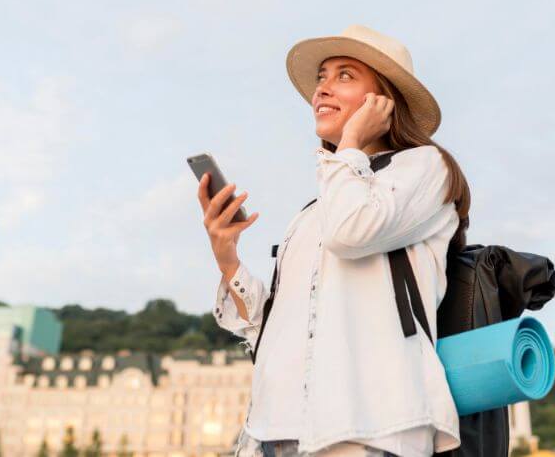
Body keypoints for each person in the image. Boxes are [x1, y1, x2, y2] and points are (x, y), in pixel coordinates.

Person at [197, 25, 471, 457]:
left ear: (385, 101)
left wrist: (350, 146)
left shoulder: (426, 167)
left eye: (345, 75)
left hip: (368, 428)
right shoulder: (316, 208)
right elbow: (270, 331)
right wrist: (227, 258)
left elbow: (351, 232)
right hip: (272, 431)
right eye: (322, 77)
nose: (322, 89)